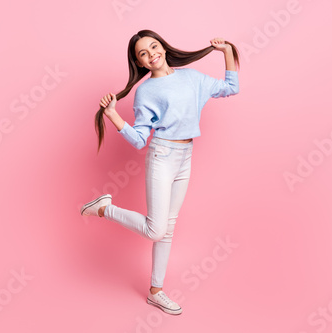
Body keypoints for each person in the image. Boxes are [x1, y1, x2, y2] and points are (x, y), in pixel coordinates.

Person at [80, 30, 240, 315]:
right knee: (157, 229)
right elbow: (140, 139)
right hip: (162, 156)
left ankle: (156, 291)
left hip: (186, 155)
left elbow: (231, 88)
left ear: (163, 47)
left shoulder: (192, 78)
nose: (151, 53)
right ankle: (105, 208)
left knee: (168, 229)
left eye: (153, 46)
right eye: (143, 53)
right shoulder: (146, 91)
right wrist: (113, 115)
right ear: (140, 63)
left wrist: (226, 51)